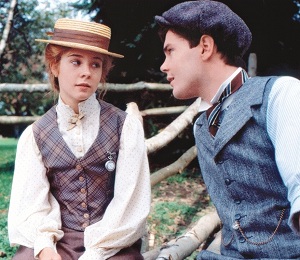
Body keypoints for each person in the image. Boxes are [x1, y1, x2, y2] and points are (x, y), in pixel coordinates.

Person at [155, 0, 300, 259]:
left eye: (170, 51)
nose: (163, 66)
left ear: (205, 47)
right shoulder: (202, 126)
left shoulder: (280, 94)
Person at [8, 18, 151, 260]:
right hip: (59, 241)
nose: (86, 72)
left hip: (111, 243)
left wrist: (96, 252)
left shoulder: (124, 126)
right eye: (75, 62)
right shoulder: (35, 135)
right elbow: (32, 204)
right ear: (55, 66)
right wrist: (45, 247)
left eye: (95, 65)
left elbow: (130, 202)